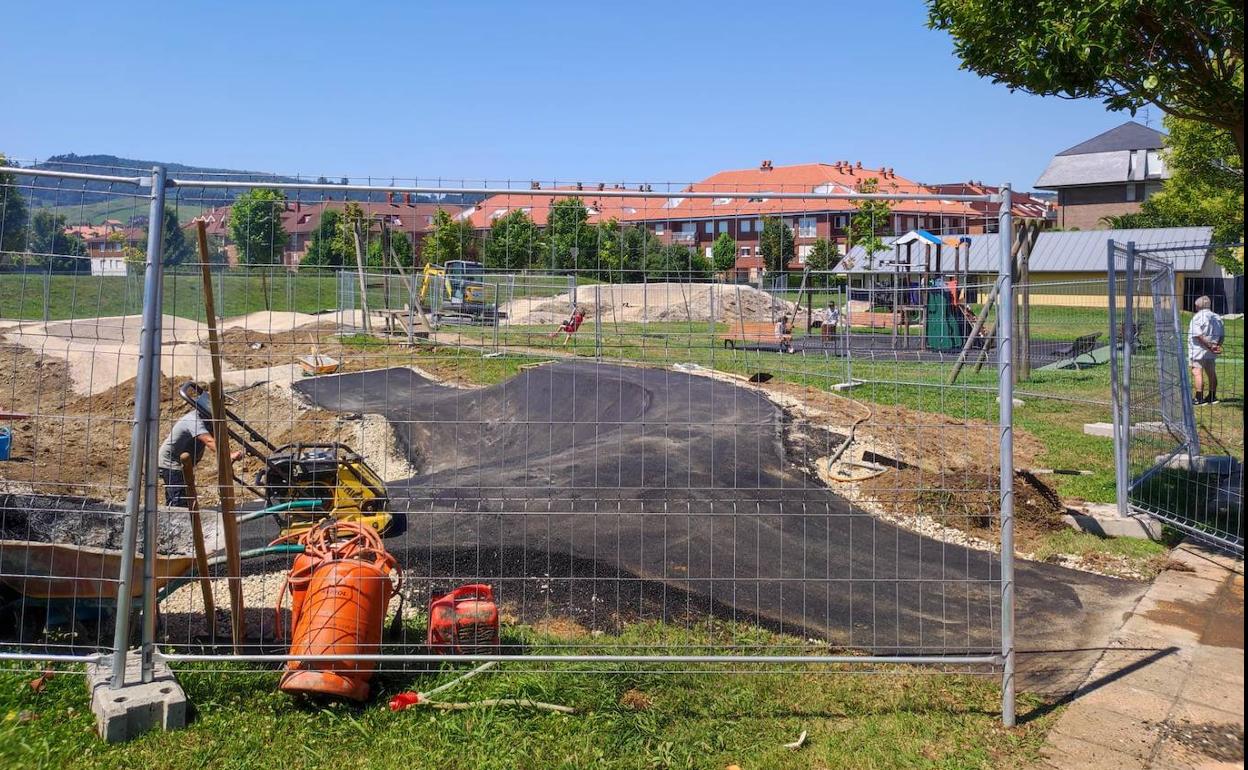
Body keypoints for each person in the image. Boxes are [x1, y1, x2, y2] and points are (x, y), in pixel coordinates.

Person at [157, 390, 243, 507]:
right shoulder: (194, 420)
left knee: (183, 495)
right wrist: (228, 456)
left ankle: (177, 517)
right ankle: (178, 520)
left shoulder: (207, 420)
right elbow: (208, 441)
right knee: (180, 498)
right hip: (171, 462)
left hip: (183, 462)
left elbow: (218, 440)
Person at [1188, 295, 1224, 405]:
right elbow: (1222, 335)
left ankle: (1199, 398)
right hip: (1211, 350)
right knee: (1211, 372)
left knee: (1197, 372)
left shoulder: (1198, 317)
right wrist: (1216, 346)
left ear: (1198, 305)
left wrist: (1209, 345)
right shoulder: (1217, 317)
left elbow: (1198, 335)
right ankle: (1212, 396)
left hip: (1198, 349)